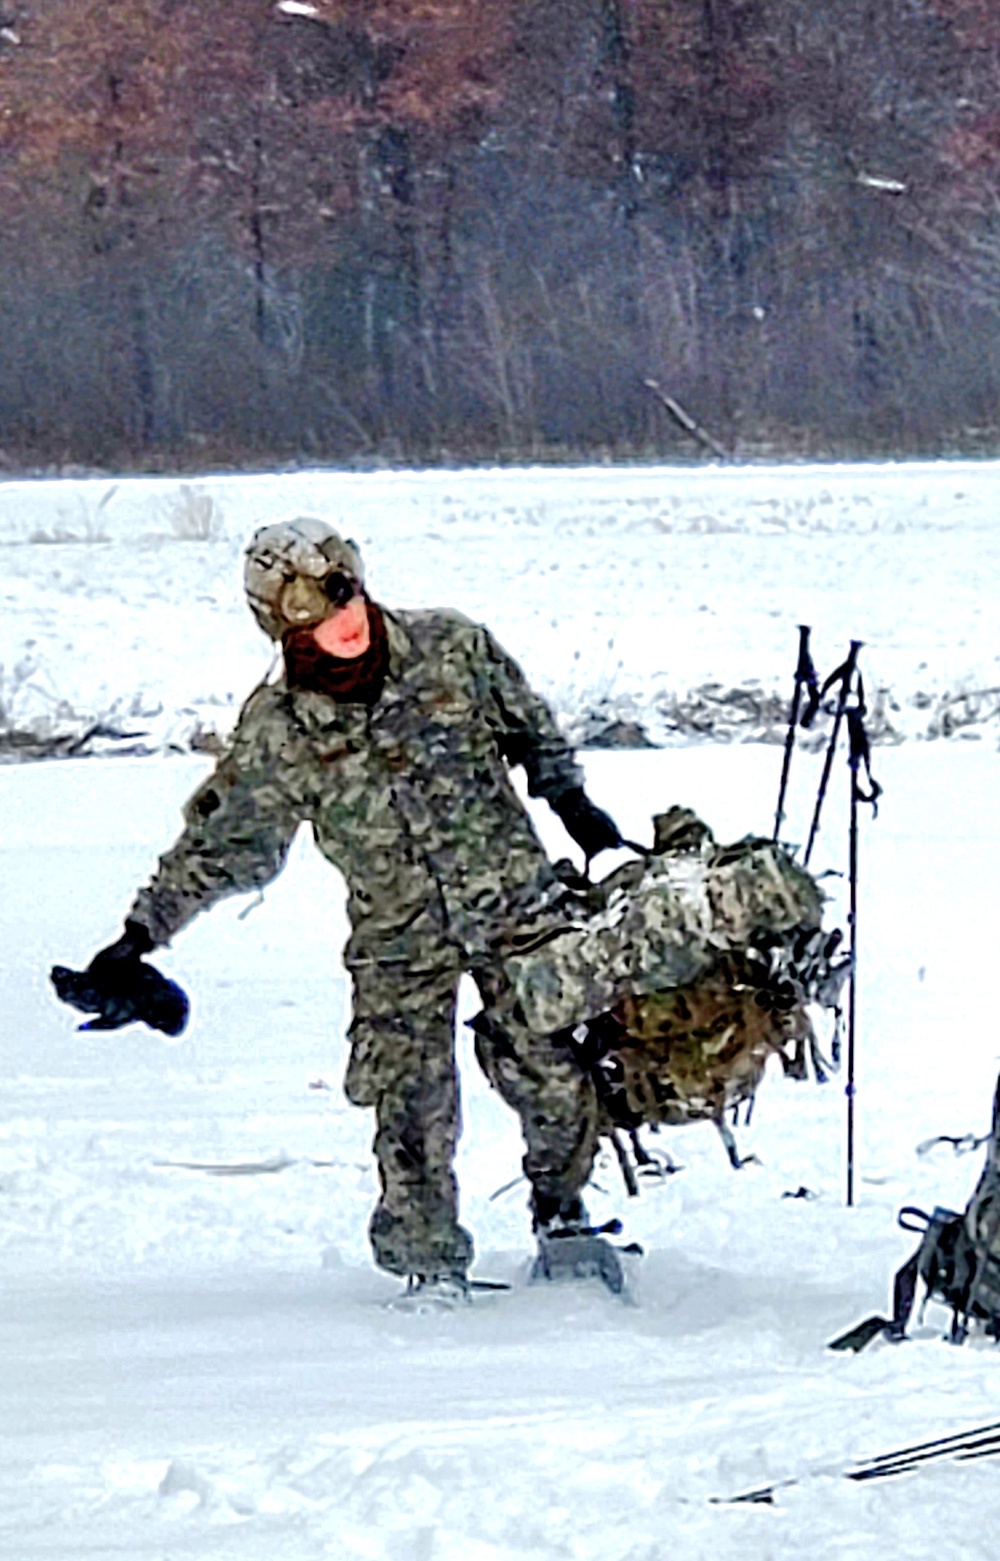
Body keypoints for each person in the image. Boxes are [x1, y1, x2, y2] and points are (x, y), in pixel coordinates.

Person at [73, 518, 625, 1302]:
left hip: (514, 905)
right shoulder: (282, 728)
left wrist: (570, 799)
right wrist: (139, 936)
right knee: (408, 1100)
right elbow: (229, 842)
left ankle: (562, 1211)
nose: (346, 621)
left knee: (553, 1073)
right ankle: (429, 1264)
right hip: (398, 937)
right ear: (283, 627)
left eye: (350, 596)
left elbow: (531, 726)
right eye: (321, 615)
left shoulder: (452, 648)